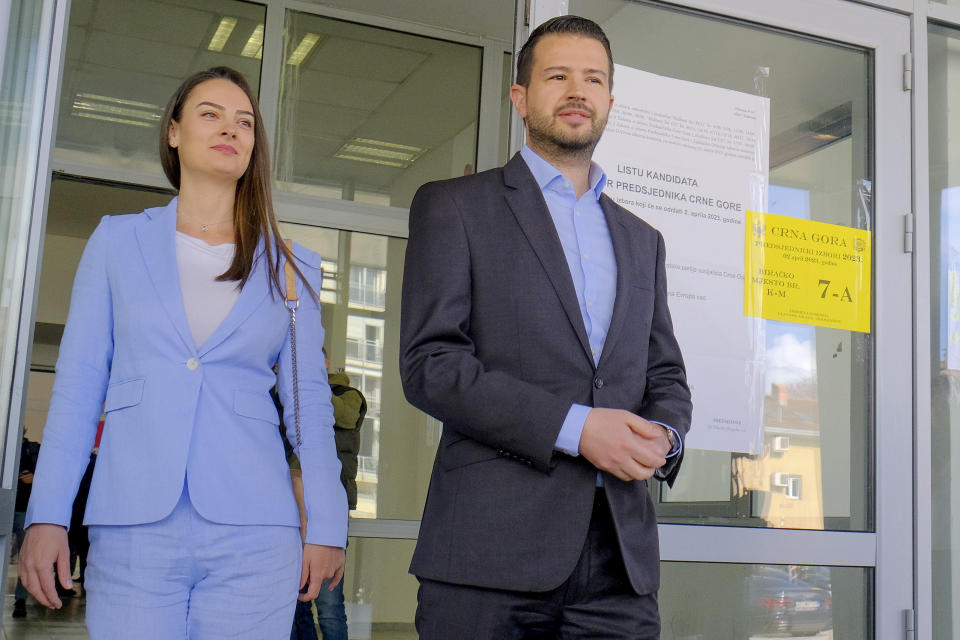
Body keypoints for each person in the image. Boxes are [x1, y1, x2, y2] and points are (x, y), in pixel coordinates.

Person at [18, 66, 347, 639]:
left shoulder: (290, 266)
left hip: (256, 529)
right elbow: (76, 391)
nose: (231, 129)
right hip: (133, 526)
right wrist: (47, 515)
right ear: (173, 132)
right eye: (210, 114)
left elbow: (310, 412)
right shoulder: (117, 242)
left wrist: (327, 524)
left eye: (245, 121)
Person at [399, 15, 692, 639]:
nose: (577, 91)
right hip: (489, 560)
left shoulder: (644, 240)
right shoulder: (454, 206)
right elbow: (432, 366)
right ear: (521, 97)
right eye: (558, 75)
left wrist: (664, 436)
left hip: (620, 569)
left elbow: (664, 372)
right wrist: (578, 428)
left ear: (611, 100)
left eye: (593, 79)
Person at [289, 349, 366, 640]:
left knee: (329, 601)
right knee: (297, 597)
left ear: (326, 363)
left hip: (331, 500)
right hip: (293, 500)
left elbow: (343, 416)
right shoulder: (289, 394)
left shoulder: (350, 395)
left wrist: (306, 385)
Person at [11, 436, 40, 618]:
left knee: (25, 557)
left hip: (23, 509)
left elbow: (49, 476)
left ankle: (20, 600)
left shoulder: (33, 450)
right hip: (9, 506)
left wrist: (35, 478)